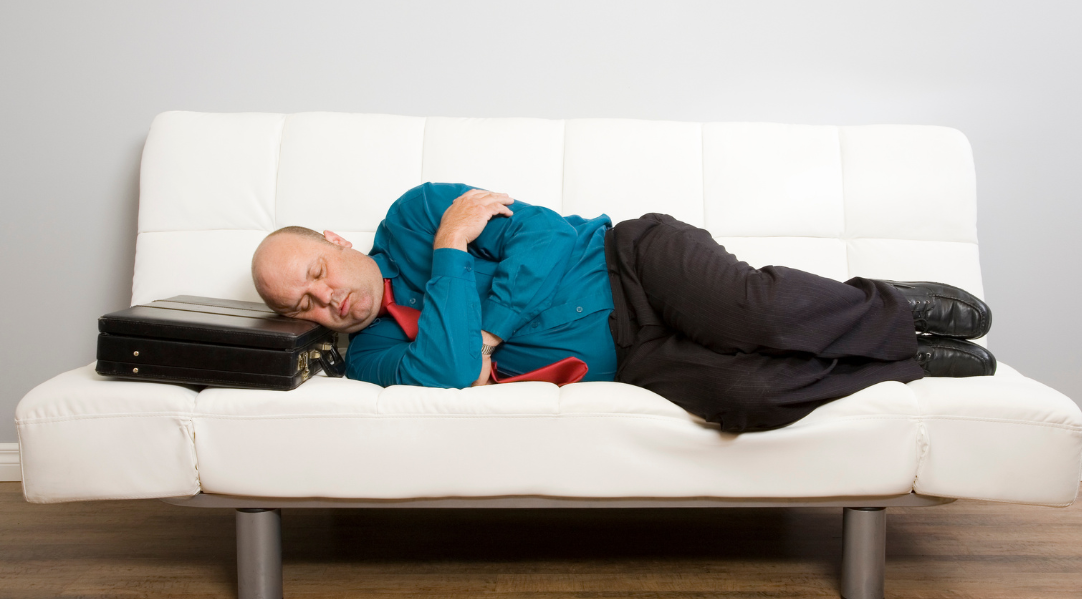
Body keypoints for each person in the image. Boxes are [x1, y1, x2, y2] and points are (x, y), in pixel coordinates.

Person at [251, 183, 995, 433]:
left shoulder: (416, 215)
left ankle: (893, 308)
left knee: (752, 315)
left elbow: (539, 238)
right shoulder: (371, 359)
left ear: (334, 240)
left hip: (630, 264)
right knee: (746, 395)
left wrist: (484, 327)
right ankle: (905, 360)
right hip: (631, 360)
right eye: (306, 304)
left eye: (318, 270)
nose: (328, 296)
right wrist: (457, 253)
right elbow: (446, 375)